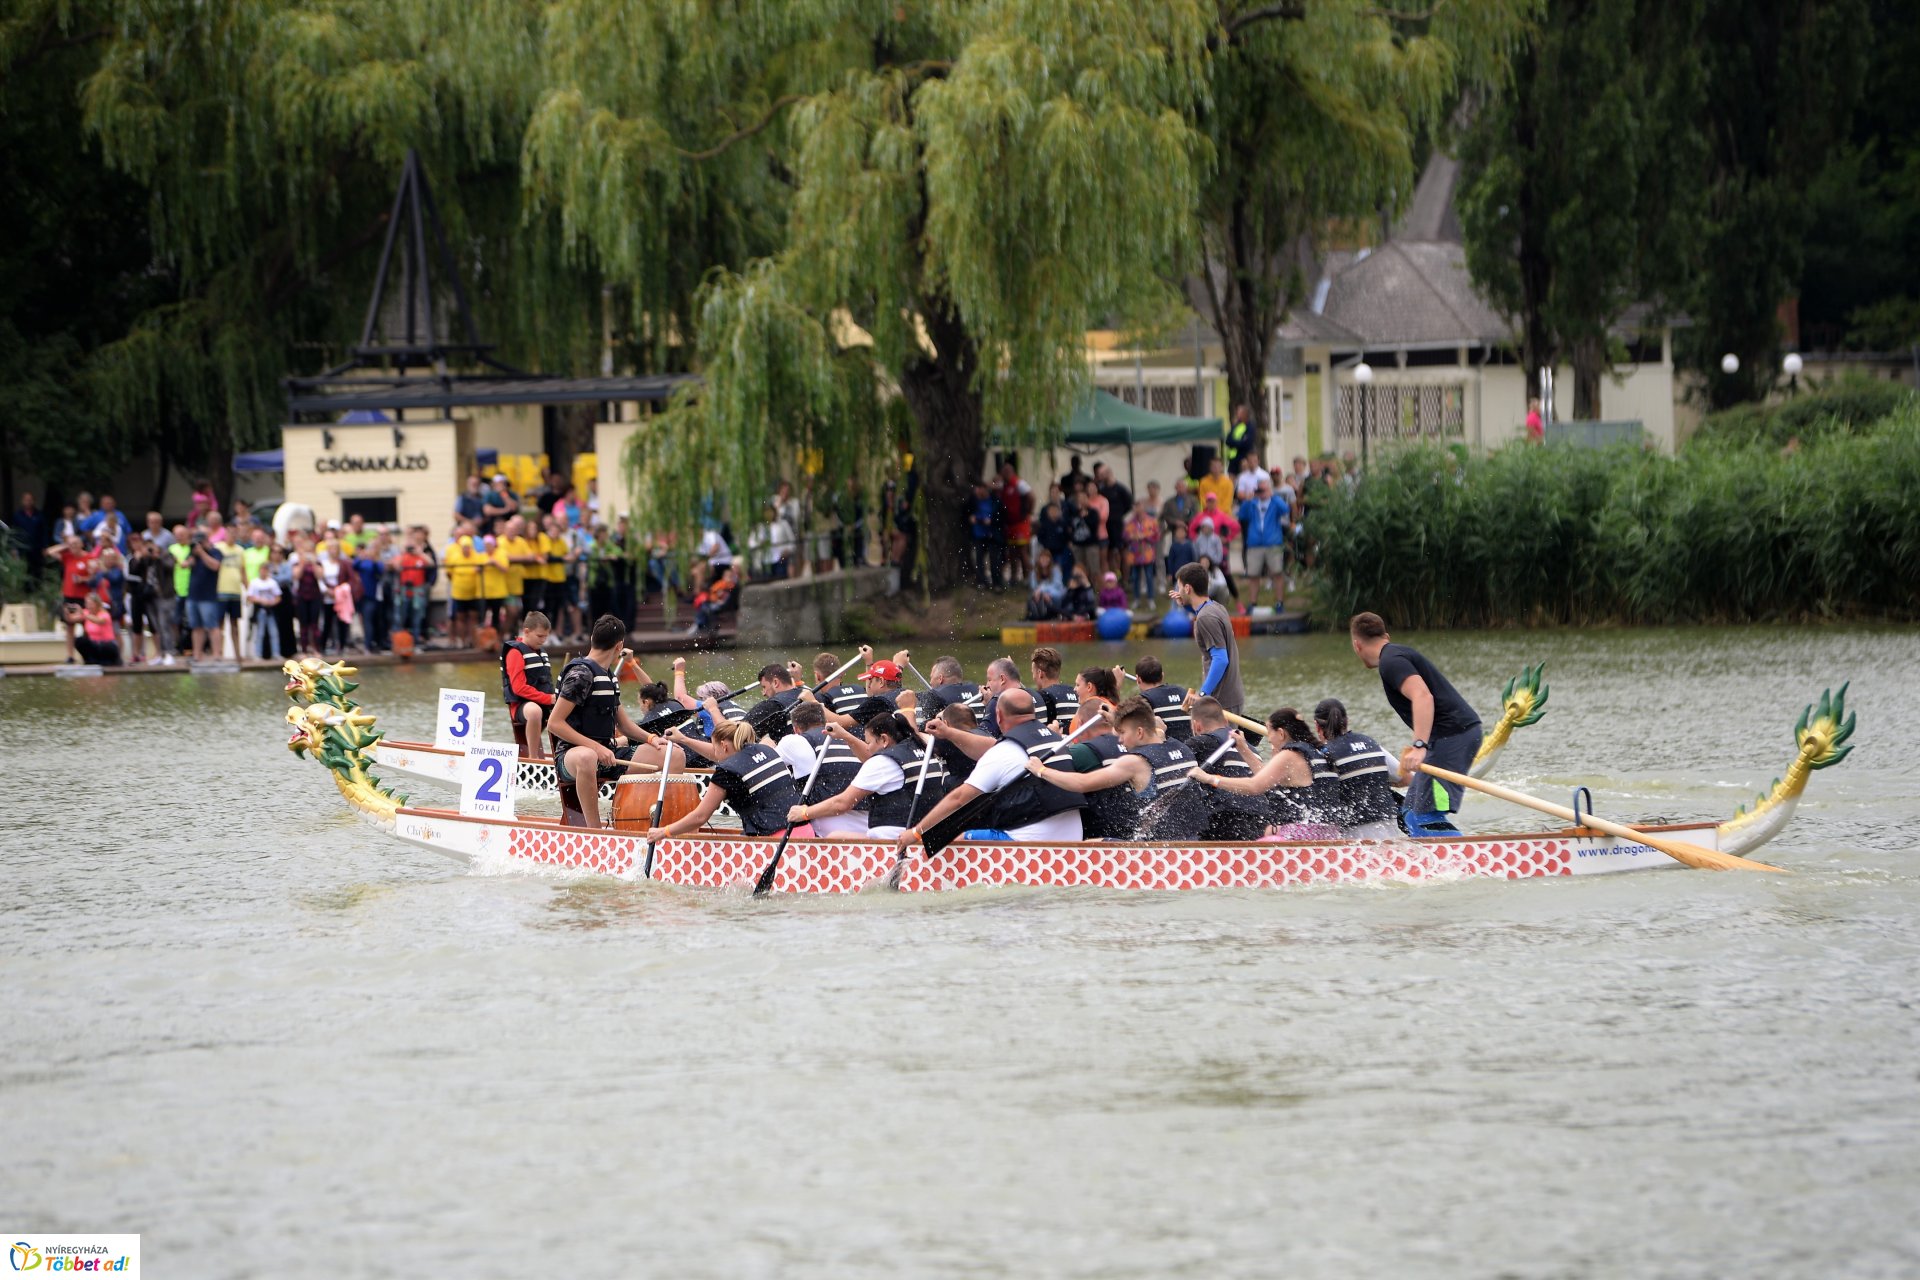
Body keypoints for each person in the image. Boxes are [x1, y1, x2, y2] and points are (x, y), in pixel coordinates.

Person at [895, 690, 1085, 853]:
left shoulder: (1004, 752)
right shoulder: (1055, 739)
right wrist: (949, 733)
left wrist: (916, 832)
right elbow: (992, 747)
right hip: (1073, 839)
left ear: (999, 716)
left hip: (1030, 844)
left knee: (951, 839)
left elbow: (959, 798)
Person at [1350, 611, 1482, 837]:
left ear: (1357, 645)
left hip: (1453, 736)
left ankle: (1471, 862)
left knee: (1422, 816)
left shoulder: (1390, 661)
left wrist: (1420, 746)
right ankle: (1430, 866)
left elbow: (1422, 696)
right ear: (1386, 636)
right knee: (1409, 813)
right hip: (1453, 735)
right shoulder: (1396, 655)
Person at [1026, 697, 1204, 840]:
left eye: (1123, 733)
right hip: (1193, 844)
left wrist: (1042, 770)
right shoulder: (1180, 746)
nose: (1119, 740)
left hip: (1157, 853)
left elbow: (1082, 783)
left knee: (1090, 844)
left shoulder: (1134, 763)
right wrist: (1117, 720)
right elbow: (1156, 725)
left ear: (1140, 732)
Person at [549, 615, 655, 827]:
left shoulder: (609, 676)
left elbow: (624, 725)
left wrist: (652, 739)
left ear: (592, 639)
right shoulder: (580, 674)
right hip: (572, 757)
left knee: (672, 754)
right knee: (587, 756)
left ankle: (646, 823)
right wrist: (597, 748)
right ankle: (595, 832)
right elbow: (554, 723)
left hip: (608, 754)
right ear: (620, 645)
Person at [791, 710, 947, 841]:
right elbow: (873, 761)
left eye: (869, 742)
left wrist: (804, 813)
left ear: (884, 739)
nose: (868, 748)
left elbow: (842, 803)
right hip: (928, 834)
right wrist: (846, 736)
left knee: (834, 837)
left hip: (896, 840)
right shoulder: (925, 751)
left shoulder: (883, 762)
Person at [1189, 708, 1335, 837]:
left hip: (1302, 834)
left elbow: (1255, 786)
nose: (1269, 739)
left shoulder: (1289, 755)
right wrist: (1243, 749)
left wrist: (1209, 778)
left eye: (1269, 733)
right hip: (1325, 830)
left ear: (1281, 733)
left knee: (1267, 834)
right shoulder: (1314, 751)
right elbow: (1267, 777)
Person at [652, 719, 805, 841]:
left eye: (715, 747)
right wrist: (683, 739)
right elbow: (724, 756)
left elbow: (700, 817)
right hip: (805, 828)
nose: (715, 755)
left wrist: (663, 832)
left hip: (774, 839)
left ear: (724, 745)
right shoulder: (766, 750)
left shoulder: (726, 772)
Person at [1313, 697, 1404, 839]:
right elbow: (1406, 778)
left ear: (1317, 726)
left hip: (1356, 830)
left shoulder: (1322, 754)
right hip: (1389, 821)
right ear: (1347, 720)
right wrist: (1374, 780)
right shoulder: (1370, 743)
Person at [1170, 562, 1242, 714]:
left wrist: (1202, 694)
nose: (1178, 591)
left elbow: (1221, 659)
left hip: (1222, 701)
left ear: (1188, 588)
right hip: (1228, 697)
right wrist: (1185, 603)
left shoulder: (1205, 617)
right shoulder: (1216, 607)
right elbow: (1201, 611)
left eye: (1180, 587)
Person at [501, 610, 557, 759]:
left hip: (545, 701)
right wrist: (548, 699)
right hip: (522, 706)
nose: (544, 640)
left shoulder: (541, 652)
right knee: (535, 712)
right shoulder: (515, 653)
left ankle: (565, 756)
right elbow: (518, 688)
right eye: (540, 636)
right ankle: (534, 758)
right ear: (526, 631)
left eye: (546, 636)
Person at [1235, 474, 1291, 613]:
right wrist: (1248, 500)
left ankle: (1279, 603)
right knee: (1253, 575)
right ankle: (1253, 604)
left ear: (1269, 489)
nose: (1260, 493)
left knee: (1277, 573)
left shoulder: (1275, 502)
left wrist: (1273, 496)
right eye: (1258, 490)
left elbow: (1285, 510)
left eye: (1263, 490)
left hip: (1273, 543)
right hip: (1255, 544)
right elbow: (1241, 515)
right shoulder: (1252, 503)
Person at [183, 530, 225, 662]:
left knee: (212, 626)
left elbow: (215, 566)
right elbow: (184, 565)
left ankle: (217, 654)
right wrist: (192, 559)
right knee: (196, 627)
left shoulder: (215, 552)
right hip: (193, 596)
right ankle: (197, 655)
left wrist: (202, 553)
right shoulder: (193, 553)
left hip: (208, 597)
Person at [1129, 655, 1191, 740]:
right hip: (1189, 750)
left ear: (1138, 679)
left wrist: (1115, 686)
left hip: (1165, 750)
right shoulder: (1185, 693)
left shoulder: (1142, 700)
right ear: (1162, 676)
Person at [914, 655, 983, 723]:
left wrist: (902, 666)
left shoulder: (934, 695)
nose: (930, 682)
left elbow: (906, 697)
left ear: (940, 678)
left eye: (931, 677)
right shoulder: (980, 691)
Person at [1095, 462, 1132, 579]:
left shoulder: (1121, 489)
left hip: (1119, 525)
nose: (1100, 477)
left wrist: (1119, 515)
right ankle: (1113, 579)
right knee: (1110, 554)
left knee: (1123, 552)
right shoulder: (1102, 490)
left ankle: (1126, 579)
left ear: (1108, 473)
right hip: (1106, 526)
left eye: (1101, 474)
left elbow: (1129, 504)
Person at [1028, 646, 1076, 727]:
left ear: (1040, 673)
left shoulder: (1041, 697)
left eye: (1033, 673)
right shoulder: (1076, 692)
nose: (1033, 677)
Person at [245, 559, 283, 660]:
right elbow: (249, 597)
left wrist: (271, 602)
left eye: (266, 569)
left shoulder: (272, 582)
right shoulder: (254, 582)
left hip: (271, 609)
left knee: (273, 632)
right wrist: (260, 600)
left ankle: (276, 653)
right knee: (259, 632)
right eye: (262, 569)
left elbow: (278, 597)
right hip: (259, 609)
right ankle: (258, 654)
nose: (264, 571)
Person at [1125, 498, 1160, 605]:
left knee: (1149, 576)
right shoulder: (1130, 522)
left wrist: (1144, 536)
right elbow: (1125, 536)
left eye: (1139, 506)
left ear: (1143, 507)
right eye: (1135, 506)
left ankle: (1151, 599)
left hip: (1147, 553)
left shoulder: (1151, 520)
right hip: (1134, 553)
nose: (1137, 508)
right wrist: (1132, 537)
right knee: (1135, 577)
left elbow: (1156, 535)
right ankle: (1136, 599)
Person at [72, 591, 121, 665]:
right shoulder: (86, 612)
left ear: (97, 604)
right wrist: (66, 612)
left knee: (106, 647)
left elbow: (98, 620)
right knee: (79, 641)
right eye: (87, 604)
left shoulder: (105, 614)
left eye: (90, 604)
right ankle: (89, 660)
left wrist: (84, 614)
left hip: (107, 646)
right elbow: (72, 618)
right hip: (95, 645)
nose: (88, 606)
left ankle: (109, 661)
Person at [1025, 546, 1065, 620]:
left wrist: (1043, 590)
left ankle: (1052, 615)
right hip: (1040, 597)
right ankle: (1037, 617)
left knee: (1050, 599)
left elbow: (1058, 586)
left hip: (1055, 595)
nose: (1044, 560)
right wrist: (1042, 593)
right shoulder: (1034, 572)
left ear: (1050, 559)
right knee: (1033, 599)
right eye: (1042, 558)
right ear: (1039, 559)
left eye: (1046, 558)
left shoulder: (1055, 570)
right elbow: (1034, 588)